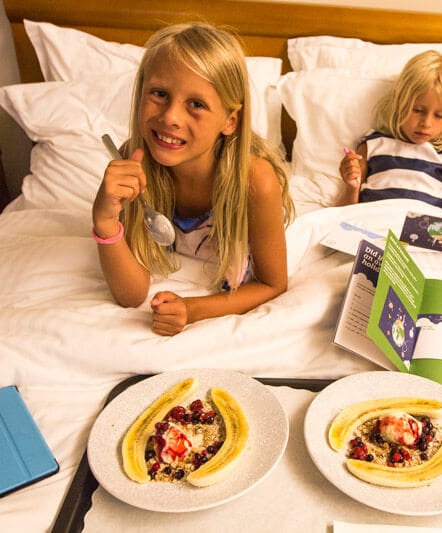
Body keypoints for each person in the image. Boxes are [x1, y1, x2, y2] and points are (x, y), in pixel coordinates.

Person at [92, 22, 294, 336]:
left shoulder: (255, 181)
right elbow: (130, 295)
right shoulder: (135, 163)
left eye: (196, 104)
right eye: (159, 94)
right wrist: (105, 221)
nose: (171, 117)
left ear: (229, 120)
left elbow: (272, 283)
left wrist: (193, 309)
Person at [337, 50, 442, 273]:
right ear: (400, 102)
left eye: (439, 116)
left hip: (425, 243)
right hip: (377, 235)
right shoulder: (372, 146)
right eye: (417, 110)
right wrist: (351, 186)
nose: (426, 123)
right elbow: (342, 217)